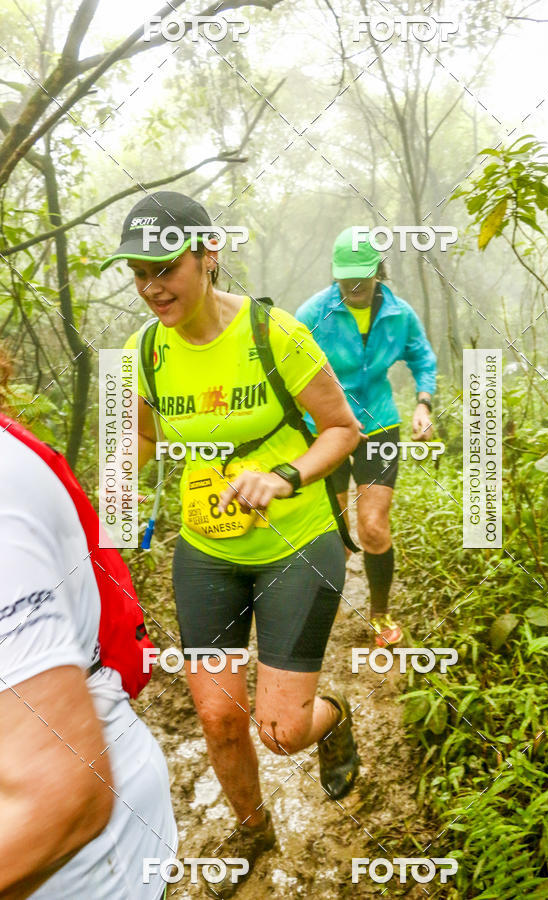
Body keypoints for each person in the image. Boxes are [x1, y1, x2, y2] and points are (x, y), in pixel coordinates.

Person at [100, 191, 362, 894]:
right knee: (219, 718)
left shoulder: (275, 334)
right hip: (208, 551)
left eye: (165, 268)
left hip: (296, 543)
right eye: (138, 274)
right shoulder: (144, 351)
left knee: (281, 732)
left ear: (208, 255)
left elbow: (342, 429)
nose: (152, 288)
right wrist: (113, 490)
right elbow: (143, 437)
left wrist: (283, 475)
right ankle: (253, 829)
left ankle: (333, 716)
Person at [0, 352, 177, 899]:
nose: (156, 303)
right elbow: (128, 440)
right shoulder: (138, 350)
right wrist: (117, 502)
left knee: (252, 719)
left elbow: (58, 799)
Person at [295, 227, 437, 648]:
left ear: (379, 271)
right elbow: (287, 369)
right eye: (346, 278)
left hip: (379, 424)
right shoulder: (312, 313)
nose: (353, 286)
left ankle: (379, 612)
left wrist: (423, 404)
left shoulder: (399, 314)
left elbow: (422, 358)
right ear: (335, 274)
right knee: (334, 534)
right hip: (325, 428)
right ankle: (324, 608)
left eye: (362, 277)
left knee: (373, 526)